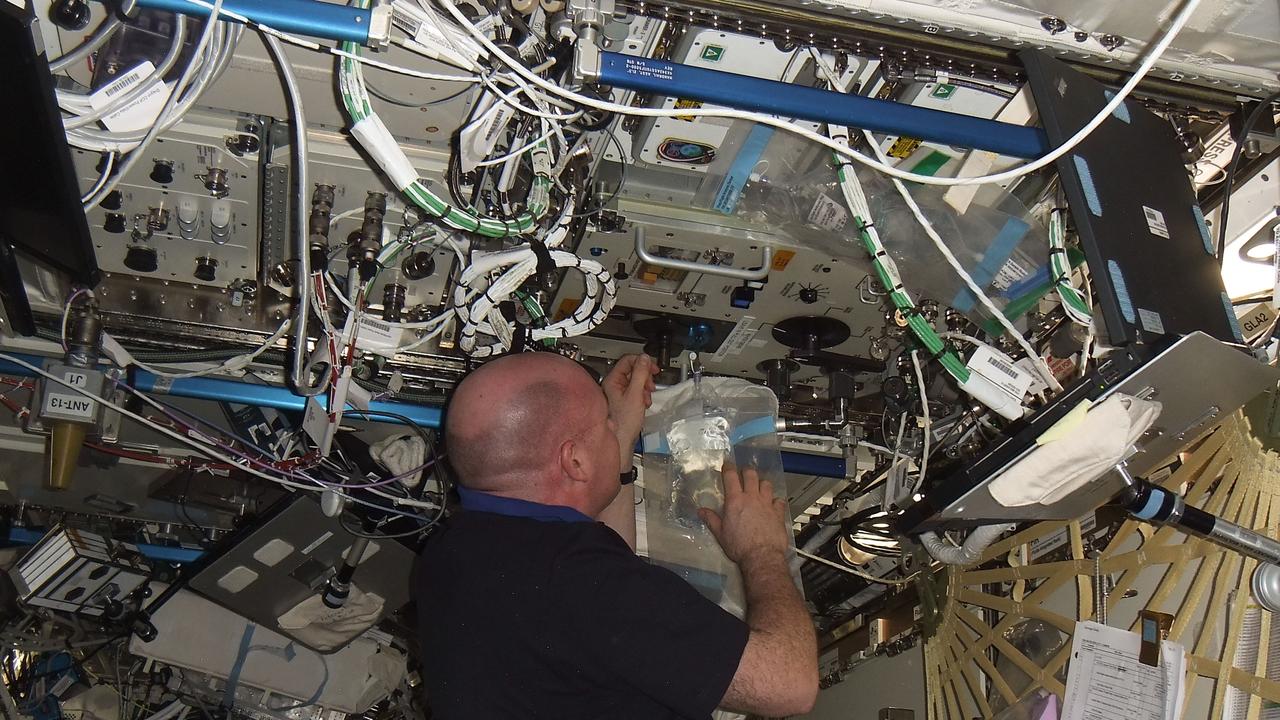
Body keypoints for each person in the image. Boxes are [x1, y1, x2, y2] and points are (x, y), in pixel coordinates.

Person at [414, 351, 818, 719]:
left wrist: (618, 441)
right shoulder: (574, 580)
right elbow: (788, 685)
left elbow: (603, 609)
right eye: (606, 421)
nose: (613, 423)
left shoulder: (452, 554)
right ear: (573, 460)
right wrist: (762, 550)